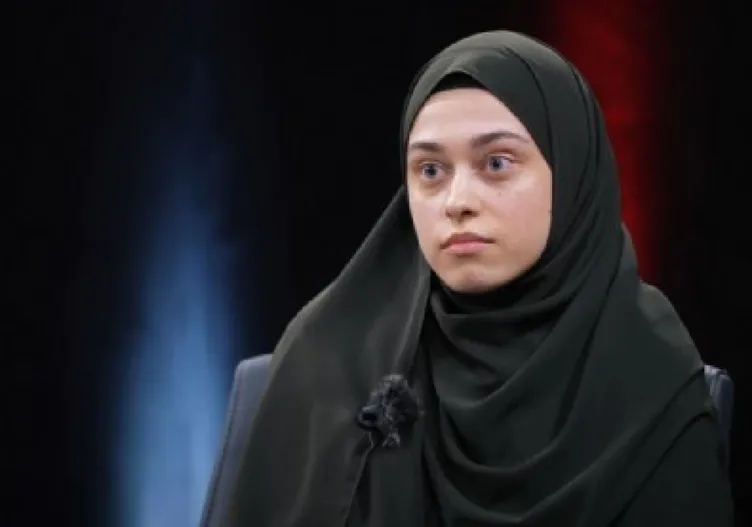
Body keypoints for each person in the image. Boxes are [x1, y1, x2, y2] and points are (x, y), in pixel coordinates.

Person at [218, 30, 734, 526]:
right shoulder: (329, 361)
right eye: (430, 170)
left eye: (496, 163)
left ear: (571, 174)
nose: (458, 201)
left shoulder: (650, 376)